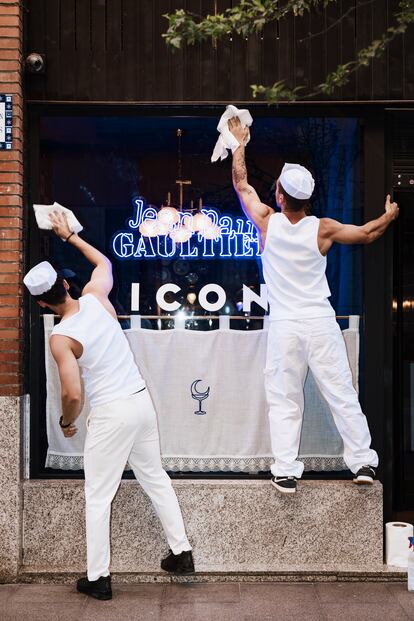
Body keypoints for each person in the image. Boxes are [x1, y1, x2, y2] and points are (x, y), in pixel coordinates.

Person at [23, 212, 194, 600]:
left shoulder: (61, 337)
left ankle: (98, 578)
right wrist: (71, 236)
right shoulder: (95, 298)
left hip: (113, 414)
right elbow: (105, 263)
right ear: (66, 285)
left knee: (98, 495)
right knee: (155, 477)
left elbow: (72, 394)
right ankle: (181, 551)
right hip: (140, 402)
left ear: (40, 302)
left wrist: (68, 422)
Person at [228, 116, 399, 494]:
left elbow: (241, 183)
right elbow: (368, 233)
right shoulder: (322, 228)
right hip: (321, 322)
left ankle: (286, 470)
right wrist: (388, 216)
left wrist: (239, 142)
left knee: (284, 398)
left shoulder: (266, 222)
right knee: (341, 392)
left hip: (286, 325)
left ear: (280, 195)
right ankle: (363, 462)